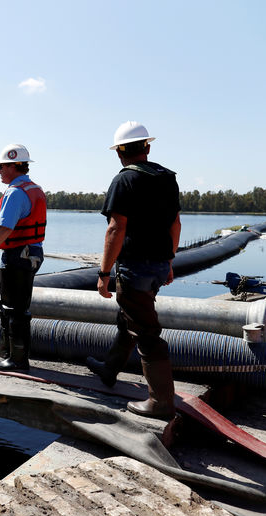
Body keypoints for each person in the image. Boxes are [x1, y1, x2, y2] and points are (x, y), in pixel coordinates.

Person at [86, 121, 181, 419]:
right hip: (156, 265)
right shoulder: (167, 177)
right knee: (130, 317)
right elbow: (175, 224)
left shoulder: (123, 180)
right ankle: (110, 369)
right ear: (147, 148)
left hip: (135, 266)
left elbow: (116, 228)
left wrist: (103, 274)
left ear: (118, 153)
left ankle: (160, 402)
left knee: (147, 332)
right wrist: (168, 261)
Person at [0, 144, 46, 372]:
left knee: (15, 309)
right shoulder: (33, 188)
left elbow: (4, 229)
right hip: (29, 253)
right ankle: (7, 350)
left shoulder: (15, 193)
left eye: (2, 166)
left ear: (14, 166)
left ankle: (18, 360)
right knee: (9, 305)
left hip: (18, 255)